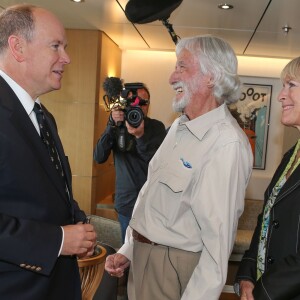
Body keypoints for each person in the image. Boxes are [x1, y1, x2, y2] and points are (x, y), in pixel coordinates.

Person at [104, 35, 253, 300]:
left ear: (212, 77)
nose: (172, 77)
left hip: (173, 271)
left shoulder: (226, 142)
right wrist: (129, 250)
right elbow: (152, 199)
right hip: (143, 261)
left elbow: (216, 249)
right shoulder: (178, 127)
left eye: (182, 67)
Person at [0, 4, 97, 300]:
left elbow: (51, 189)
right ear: (18, 47)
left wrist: (79, 224)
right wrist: (59, 240)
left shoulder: (43, 117)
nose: (66, 58)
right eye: (55, 46)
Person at [234, 57, 300, 300]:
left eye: (291, 85)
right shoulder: (290, 156)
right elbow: (267, 219)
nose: (281, 96)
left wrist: (264, 292)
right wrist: (248, 274)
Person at [94, 85, 166, 242]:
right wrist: (111, 125)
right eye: (134, 102)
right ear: (126, 104)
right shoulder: (117, 126)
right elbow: (99, 157)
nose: (139, 106)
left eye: (143, 102)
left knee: (148, 255)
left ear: (149, 105)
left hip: (151, 204)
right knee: (126, 255)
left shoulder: (157, 127)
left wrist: (140, 137)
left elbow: (157, 163)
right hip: (126, 204)